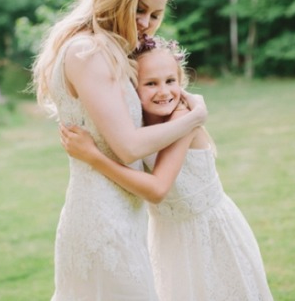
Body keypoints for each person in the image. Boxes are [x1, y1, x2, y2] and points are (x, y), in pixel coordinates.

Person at [32, 0, 208, 300]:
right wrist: (194, 118)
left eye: (155, 14)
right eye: (138, 9)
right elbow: (127, 146)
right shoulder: (89, 51)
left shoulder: (105, 50)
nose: (145, 22)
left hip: (123, 211)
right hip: (104, 219)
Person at [60, 36, 274, 301]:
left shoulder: (183, 118)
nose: (164, 92)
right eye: (151, 83)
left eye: (170, 81)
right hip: (167, 236)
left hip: (206, 232)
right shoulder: (133, 127)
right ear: (131, 89)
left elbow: (158, 189)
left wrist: (94, 157)